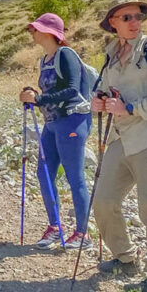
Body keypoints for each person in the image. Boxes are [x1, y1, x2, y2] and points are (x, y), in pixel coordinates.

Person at [90, 0, 147, 292]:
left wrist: (130, 109)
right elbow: (102, 89)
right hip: (118, 139)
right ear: (113, 22)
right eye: (126, 17)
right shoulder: (111, 52)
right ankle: (125, 258)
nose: (134, 22)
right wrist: (99, 101)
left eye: (138, 16)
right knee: (103, 202)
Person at [19, 13, 93, 251]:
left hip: (72, 121)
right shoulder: (45, 59)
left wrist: (39, 98)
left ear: (49, 32)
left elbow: (72, 89)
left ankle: (83, 233)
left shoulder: (66, 55)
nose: (32, 32)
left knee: (75, 177)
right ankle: (55, 227)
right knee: (44, 174)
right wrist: (34, 96)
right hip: (52, 123)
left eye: (35, 29)